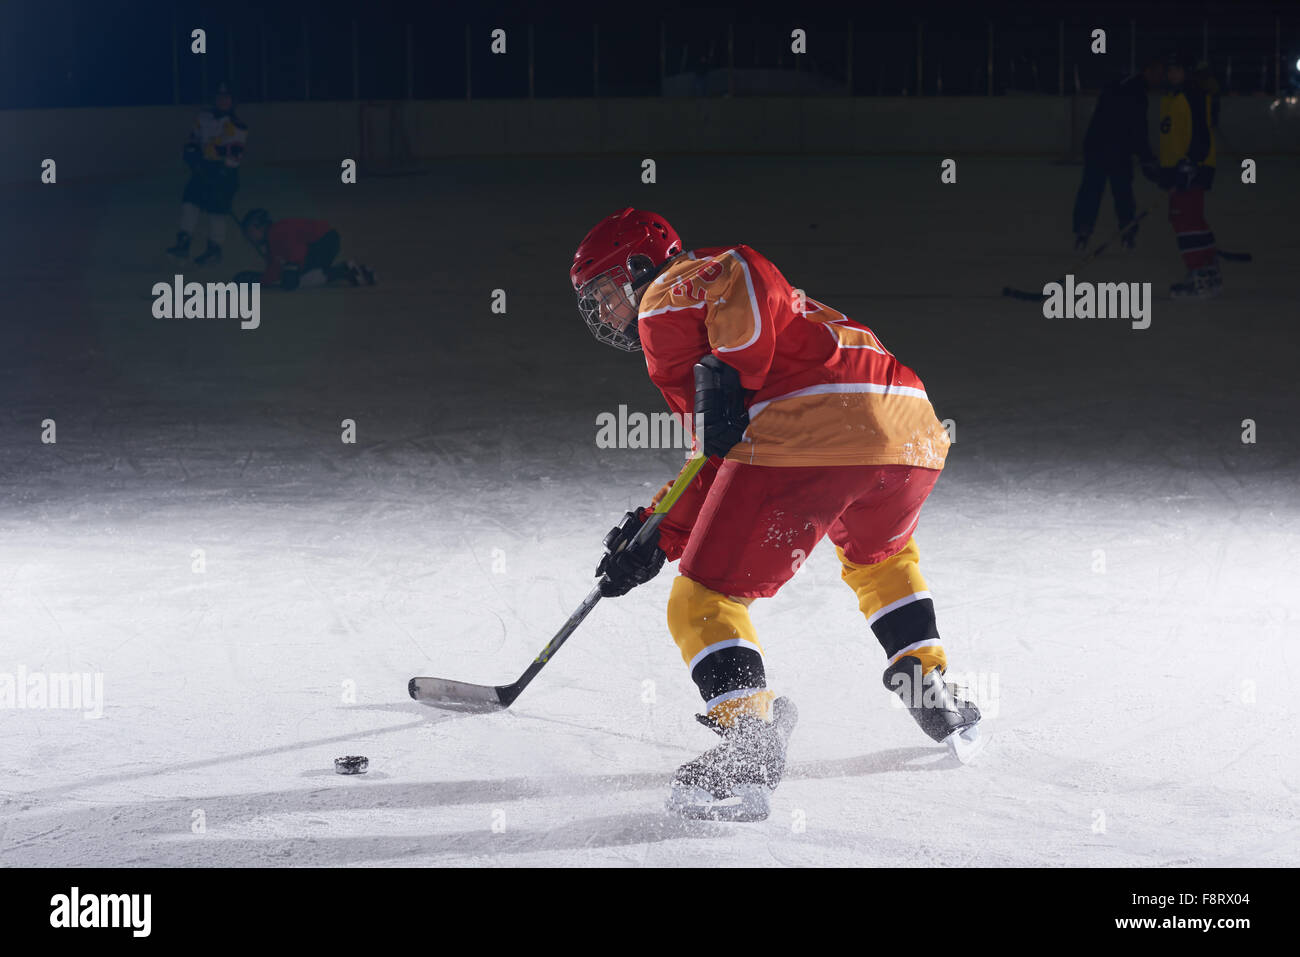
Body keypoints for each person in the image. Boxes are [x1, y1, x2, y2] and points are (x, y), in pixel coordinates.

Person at [570, 208, 982, 821]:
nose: (604, 312)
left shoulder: (664, 297)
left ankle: (750, 740)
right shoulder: (750, 318)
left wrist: (734, 371)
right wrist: (655, 533)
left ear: (638, 268)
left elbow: (743, 267)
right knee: (882, 556)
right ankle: (924, 678)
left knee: (703, 600)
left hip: (815, 431)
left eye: (606, 293)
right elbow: (719, 455)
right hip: (911, 431)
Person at [1072, 56, 1165, 252]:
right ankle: (1126, 231)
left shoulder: (1123, 83)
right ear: (1147, 71)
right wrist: (1147, 158)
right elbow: (1138, 129)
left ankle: (1084, 230)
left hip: (1098, 145)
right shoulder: (1137, 92)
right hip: (1114, 148)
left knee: (1092, 189)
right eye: (1158, 73)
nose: (1160, 78)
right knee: (1119, 191)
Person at [1159, 53, 1220, 299]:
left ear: (1187, 72)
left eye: (1177, 69)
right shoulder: (1171, 98)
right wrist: (1163, 169)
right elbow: (1172, 137)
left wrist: (1190, 164)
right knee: (1189, 220)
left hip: (1191, 170)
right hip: (1181, 170)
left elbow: (1201, 135)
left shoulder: (1192, 95)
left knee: (1186, 222)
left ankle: (1201, 276)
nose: (1171, 74)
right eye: (1169, 69)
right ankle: (1208, 271)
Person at [165, 83, 248, 266]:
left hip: (224, 173)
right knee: (189, 203)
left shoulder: (238, 126)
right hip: (202, 168)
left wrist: (222, 173)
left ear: (233, 102)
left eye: (227, 98)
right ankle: (183, 244)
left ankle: (214, 250)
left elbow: (235, 155)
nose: (223, 101)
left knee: (216, 213)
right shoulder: (203, 118)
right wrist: (191, 153)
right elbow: (193, 139)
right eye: (220, 98)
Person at [234, 209, 375, 290]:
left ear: (260, 226)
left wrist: (294, 268)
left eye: (250, 232)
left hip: (323, 242)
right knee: (295, 279)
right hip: (327, 239)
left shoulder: (276, 233)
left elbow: (297, 251)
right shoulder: (274, 237)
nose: (249, 237)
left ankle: (342, 271)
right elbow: (275, 268)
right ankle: (348, 272)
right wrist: (262, 281)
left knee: (298, 280)